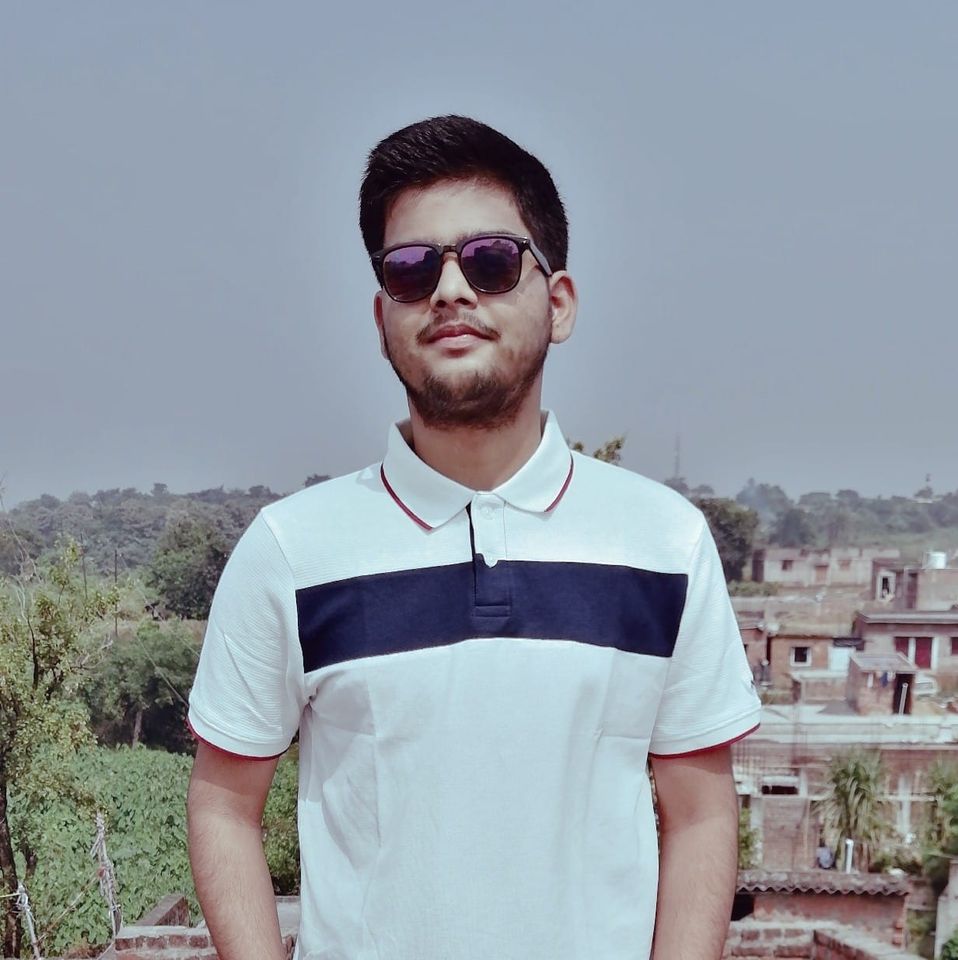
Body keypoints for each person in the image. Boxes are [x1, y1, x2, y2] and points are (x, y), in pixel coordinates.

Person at [186, 115, 761, 960]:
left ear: (558, 303)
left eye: (491, 261)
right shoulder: (291, 552)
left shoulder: (665, 545)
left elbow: (701, 813)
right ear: (383, 317)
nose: (451, 291)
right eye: (413, 270)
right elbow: (224, 806)